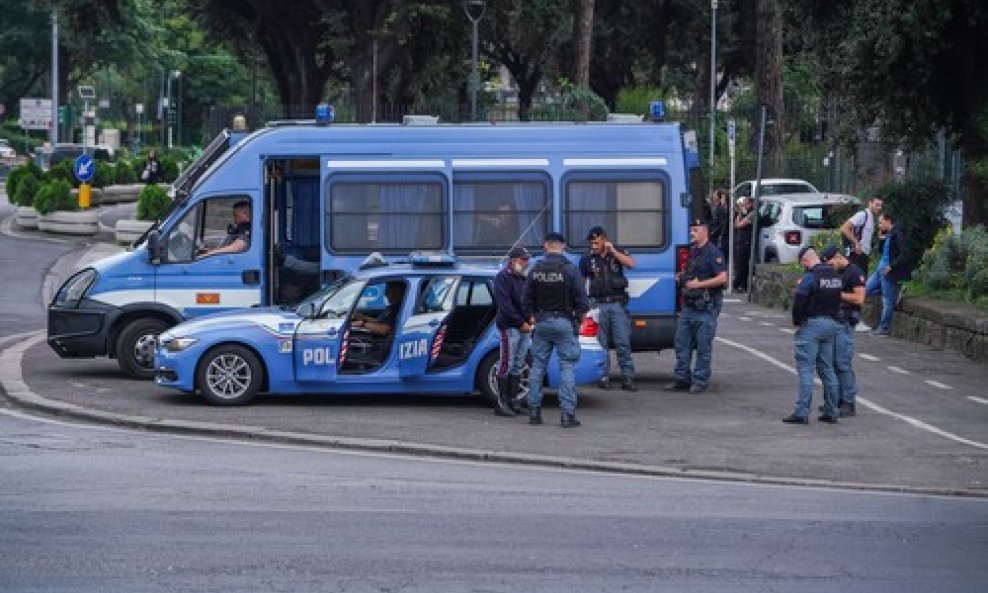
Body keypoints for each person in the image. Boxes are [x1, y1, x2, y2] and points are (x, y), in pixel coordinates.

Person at [523, 232, 591, 428]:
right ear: (563, 246)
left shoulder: (535, 269)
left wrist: (532, 317)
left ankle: (534, 413)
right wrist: (578, 321)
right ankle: (567, 415)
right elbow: (582, 300)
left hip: (542, 323)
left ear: (545, 246)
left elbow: (525, 299)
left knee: (537, 367)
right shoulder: (570, 269)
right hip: (564, 322)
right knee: (567, 367)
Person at [783, 246, 843, 425]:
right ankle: (832, 410)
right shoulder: (834, 276)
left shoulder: (810, 277)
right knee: (827, 368)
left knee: (806, 369)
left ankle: (802, 412)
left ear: (805, 261)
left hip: (812, 325)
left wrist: (797, 321)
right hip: (831, 324)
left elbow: (800, 300)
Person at [666, 219, 727, 394]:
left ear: (704, 233)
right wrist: (682, 277)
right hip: (690, 305)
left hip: (706, 306)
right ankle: (682, 378)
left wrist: (699, 285)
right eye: (691, 230)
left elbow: (723, 278)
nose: (691, 233)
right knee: (682, 343)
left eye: (695, 230)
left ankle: (700, 380)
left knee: (703, 346)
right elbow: (691, 274)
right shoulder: (694, 252)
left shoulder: (713, 253)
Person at [579, 226, 637, 391]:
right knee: (600, 344)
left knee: (622, 342)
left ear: (604, 239)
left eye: (597, 242)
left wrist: (614, 251)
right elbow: (582, 283)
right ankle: (603, 377)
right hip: (597, 305)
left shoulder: (616, 253)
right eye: (592, 243)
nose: (594, 246)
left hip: (617, 304)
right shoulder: (587, 259)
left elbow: (632, 264)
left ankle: (628, 377)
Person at [820, 245, 865, 417]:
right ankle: (834, 400)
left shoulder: (854, 272)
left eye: (831, 264)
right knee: (829, 362)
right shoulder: (833, 272)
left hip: (845, 322)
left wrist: (836, 294)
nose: (830, 268)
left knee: (842, 362)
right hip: (832, 320)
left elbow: (860, 298)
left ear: (838, 257)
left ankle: (848, 401)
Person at [492, 246, 533, 417]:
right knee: (506, 363)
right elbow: (505, 305)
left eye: (526, 260)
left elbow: (528, 299)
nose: (526, 263)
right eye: (523, 260)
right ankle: (502, 403)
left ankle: (513, 400)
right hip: (510, 327)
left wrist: (531, 316)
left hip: (524, 327)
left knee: (518, 363)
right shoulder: (502, 278)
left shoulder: (523, 278)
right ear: (513, 261)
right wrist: (520, 322)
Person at [866, 212, 910, 337]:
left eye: (881, 222)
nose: (879, 225)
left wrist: (892, 266)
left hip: (888, 270)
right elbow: (882, 251)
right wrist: (881, 240)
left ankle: (883, 328)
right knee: (866, 290)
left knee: (887, 300)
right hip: (879, 269)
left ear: (888, 221)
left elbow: (904, 253)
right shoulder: (888, 234)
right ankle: (896, 290)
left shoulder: (898, 234)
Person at [840, 196, 883, 275]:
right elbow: (844, 228)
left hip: (863, 255)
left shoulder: (871, 217)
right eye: (877, 205)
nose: (879, 208)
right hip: (856, 254)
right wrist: (856, 242)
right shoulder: (862, 215)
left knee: (861, 281)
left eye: (880, 205)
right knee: (857, 282)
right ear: (870, 203)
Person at [732, 196, 754, 292]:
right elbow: (736, 223)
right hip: (741, 240)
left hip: (746, 241)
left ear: (751, 204)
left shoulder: (752, 214)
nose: (744, 205)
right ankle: (742, 284)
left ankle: (736, 284)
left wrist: (741, 214)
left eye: (746, 203)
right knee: (740, 263)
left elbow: (738, 225)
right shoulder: (746, 213)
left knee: (741, 264)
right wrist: (741, 212)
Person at [709, 189, 731, 265]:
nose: (714, 196)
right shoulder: (718, 207)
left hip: (720, 234)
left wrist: (714, 232)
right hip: (718, 233)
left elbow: (721, 223)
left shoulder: (722, 209)